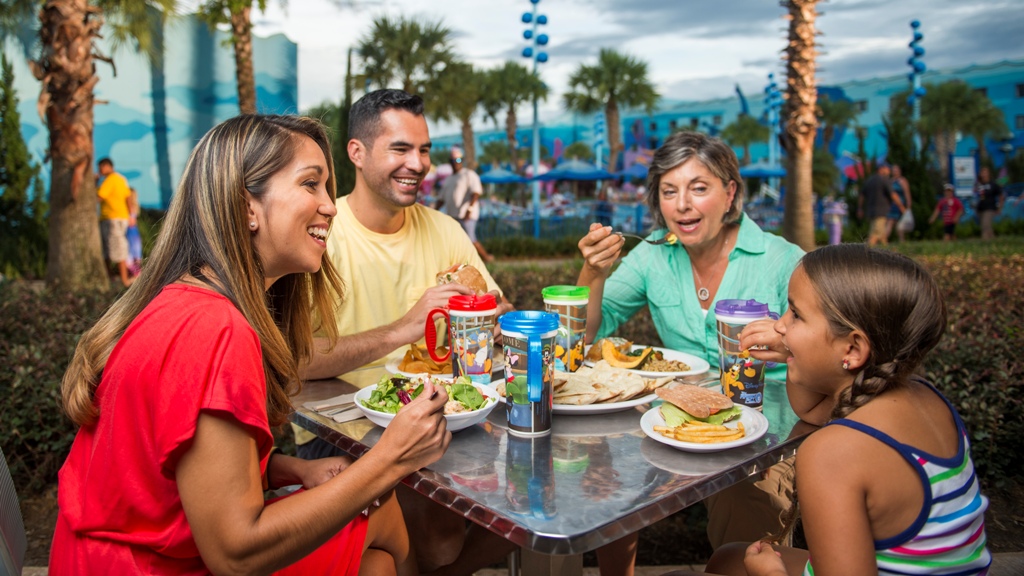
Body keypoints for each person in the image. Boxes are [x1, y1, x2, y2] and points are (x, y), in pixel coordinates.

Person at [50, 114, 451, 574]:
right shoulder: (217, 330)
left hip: (94, 561)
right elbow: (235, 553)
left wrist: (289, 469)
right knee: (380, 511)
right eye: (310, 184)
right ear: (246, 207)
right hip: (148, 567)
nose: (331, 206)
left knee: (377, 555)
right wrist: (389, 459)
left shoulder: (186, 301)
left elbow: (181, 467)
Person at [667, 244, 992, 576]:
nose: (779, 326)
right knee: (727, 558)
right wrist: (794, 352)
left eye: (795, 314)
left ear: (852, 348)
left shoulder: (832, 453)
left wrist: (771, 574)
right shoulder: (922, 395)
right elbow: (811, 410)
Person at [297, 89, 515, 575]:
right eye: (401, 149)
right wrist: (402, 329)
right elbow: (290, 362)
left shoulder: (445, 229)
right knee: (435, 527)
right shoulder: (318, 234)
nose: (418, 164)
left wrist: (489, 319)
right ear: (356, 153)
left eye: (424, 150)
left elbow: (497, 310)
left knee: (537, 490)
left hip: (448, 413)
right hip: (339, 431)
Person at [576, 131, 804, 570]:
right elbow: (585, 334)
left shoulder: (781, 259)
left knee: (745, 494)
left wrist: (789, 345)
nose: (682, 205)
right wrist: (594, 270)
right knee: (595, 460)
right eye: (669, 191)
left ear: (729, 192)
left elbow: (832, 348)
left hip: (768, 429)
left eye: (699, 188)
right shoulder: (653, 256)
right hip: (677, 417)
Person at [437, 145, 495, 262]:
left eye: (458, 160)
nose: (455, 163)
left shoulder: (469, 174)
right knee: (454, 241)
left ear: (462, 161)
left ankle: (487, 258)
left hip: (466, 215)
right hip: (453, 216)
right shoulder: (449, 179)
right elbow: (441, 199)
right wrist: (432, 212)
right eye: (453, 161)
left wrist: (469, 209)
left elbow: (476, 193)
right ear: (450, 162)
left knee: (470, 239)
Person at [96, 157, 135, 287]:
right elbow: (128, 197)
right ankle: (112, 279)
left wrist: (94, 183)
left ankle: (123, 281)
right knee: (112, 250)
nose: (99, 170)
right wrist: (131, 215)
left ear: (107, 166)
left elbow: (99, 197)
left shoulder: (110, 180)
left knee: (116, 250)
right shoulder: (121, 179)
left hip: (111, 218)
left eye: (101, 167)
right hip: (122, 218)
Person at [857, 164, 901, 246]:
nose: (889, 171)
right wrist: (901, 206)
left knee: (882, 234)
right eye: (887, 169)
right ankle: (866, 252)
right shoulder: (884, 180)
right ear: (882, 169)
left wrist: (860, 208)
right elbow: (893, 195)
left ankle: (887, 252)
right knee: (875, 234)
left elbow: (861, 196)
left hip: (871, 211)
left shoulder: (869, 180)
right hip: (881, 211)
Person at [974, 166, 1004, 240]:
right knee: (987, 227)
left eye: (985, 172)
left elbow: (1001, 196)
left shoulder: (993, 184)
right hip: (980, 208)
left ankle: (985, 242)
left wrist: (1000, 207)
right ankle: (993, 241)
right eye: (982, 172)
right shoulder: (979, 184)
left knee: (985, 225)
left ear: (989, 174)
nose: (984, 174)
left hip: (990, 208)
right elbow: (975, 194)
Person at [884, 164, 912, 242]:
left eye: (896, 170)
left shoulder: (902, 181)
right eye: (893, 170)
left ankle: (884, 240)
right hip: (891, 205)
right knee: (892, 223)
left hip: (899, 204)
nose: (895, 172)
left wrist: (908, 205)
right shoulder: (890, 181)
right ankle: (900, 241)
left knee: (893, 223)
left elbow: (907, 194)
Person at [125, 187, 143, 277]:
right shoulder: (134, 207)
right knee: (134, 252)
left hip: (131, 232)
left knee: (131, 253)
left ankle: (136, 272)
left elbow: (131, 222)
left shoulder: (130, 208)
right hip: (134, 232)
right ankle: (135, 272)